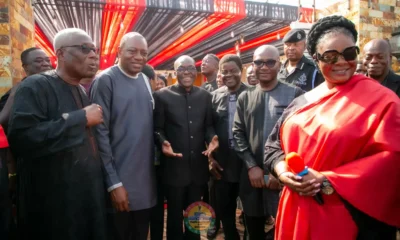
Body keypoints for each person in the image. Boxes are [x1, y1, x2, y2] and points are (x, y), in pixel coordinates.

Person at [264, 15, 400, 240]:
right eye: (330, 56)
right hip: (298, 208)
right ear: (316, 59)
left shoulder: (384, 100)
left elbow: (393, 158)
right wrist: (283, 172)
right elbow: (273, 146)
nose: (341, 62)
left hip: (354, 218)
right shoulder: (302, 101)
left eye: (349, 54)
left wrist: (329, 180)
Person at [7, 28, 107, 240]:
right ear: (60, 54)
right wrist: (80, 118)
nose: (93, 55)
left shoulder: (80, 89)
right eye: (84, 48)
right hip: (54, 208)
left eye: (94, 50)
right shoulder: (35, 86)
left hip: (87, 199)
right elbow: (23, 138)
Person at [233, 45, 303, 240]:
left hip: (283, 179)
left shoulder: (296, 95)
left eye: (270, 62)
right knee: (253, 227)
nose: (264, 67)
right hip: (252, 177)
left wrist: (280, 171)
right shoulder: (245, 97)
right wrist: (251, 166)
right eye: (258, 62)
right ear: (252, 65)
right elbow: (237, 134)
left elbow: (300, 137)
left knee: (285, 229)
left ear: (279, 64)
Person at [91, 32, 156, 240]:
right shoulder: (106, 80)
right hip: (119, 182)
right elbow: (99, 134)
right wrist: (113, 183)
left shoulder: (146, 80)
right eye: (132, 51)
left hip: (145, 181)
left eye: (143, 53)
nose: (139, 57)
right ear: (119, 52)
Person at [153, 55, 218, 240]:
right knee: (174, 217)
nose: (187, 72)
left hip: (198, 169)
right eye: (182, 68)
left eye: (190, 68)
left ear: (195, 71)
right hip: (173, 169)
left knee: (195, 217)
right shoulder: (162, 96)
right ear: (175, 72)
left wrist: (212, 138)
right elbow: (157, 128)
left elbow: (208, 127)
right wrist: (162, 141)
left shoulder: (205, 96)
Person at [210, 54, 248, 240]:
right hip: (222, 162)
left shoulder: (252, 93)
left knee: (249, 208)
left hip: (246, 162)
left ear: (241, 71)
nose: (229, 75)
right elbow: (207, 127)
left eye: (233, 71)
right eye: (224, 72)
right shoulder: (214, 96)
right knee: (225, 206)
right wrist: (210, 158)